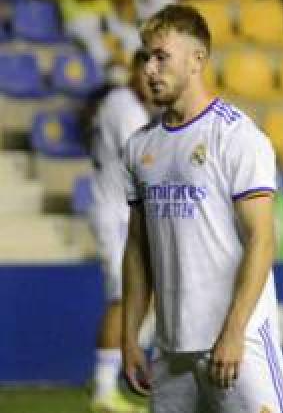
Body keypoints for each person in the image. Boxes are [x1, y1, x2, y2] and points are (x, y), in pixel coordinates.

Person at [118, 5, 283, 413]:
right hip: (171, 350)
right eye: (146, 57)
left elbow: (262, 239)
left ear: (197, 60)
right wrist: (130, 336)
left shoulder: (237, 136)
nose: (149, 69)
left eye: (161, 57)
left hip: (238, 341)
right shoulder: (139, 147)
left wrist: (235, 332)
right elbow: (137, 249)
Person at [87, 52, 154, 413]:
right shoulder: (125, 107)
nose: (153, 77)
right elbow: (145, 161)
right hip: (115, 215)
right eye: (147, 70)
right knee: (123, 299)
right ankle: (102, 390)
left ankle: (112, 375)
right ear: (133, 71)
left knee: (137, 298)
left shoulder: (126, 105)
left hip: (118, 212)